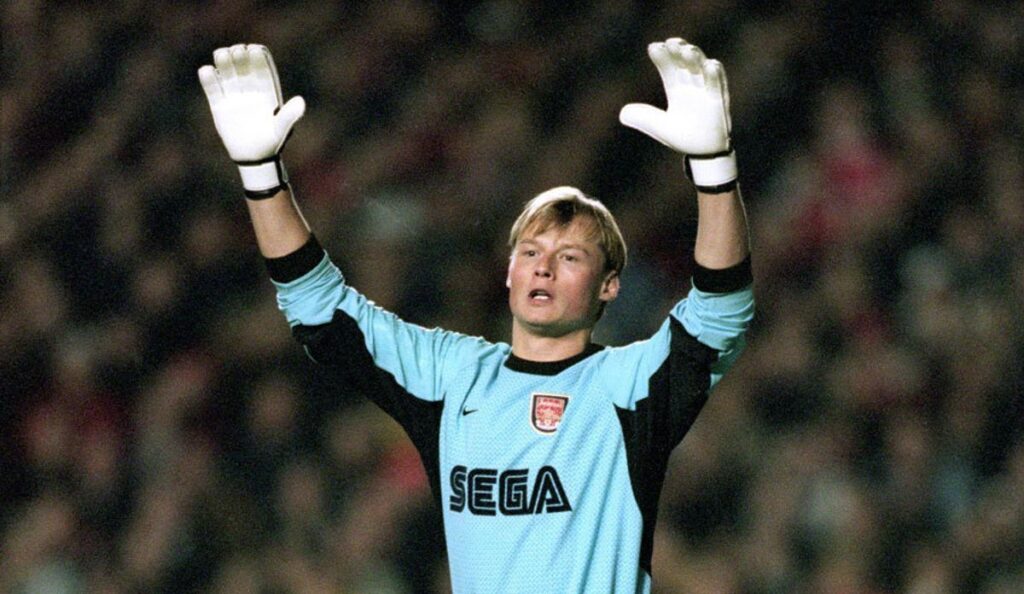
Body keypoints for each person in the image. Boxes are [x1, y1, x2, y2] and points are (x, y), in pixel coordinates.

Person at [198, 37, 754, 593]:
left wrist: (714, 169)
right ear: (509, 274)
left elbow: (720, 313)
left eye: (570, 257)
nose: (543, 269)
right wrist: (260, 174)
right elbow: (319, 311)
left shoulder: (626, 387)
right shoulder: (451, 376)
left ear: (609, 286)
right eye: (531, 254)